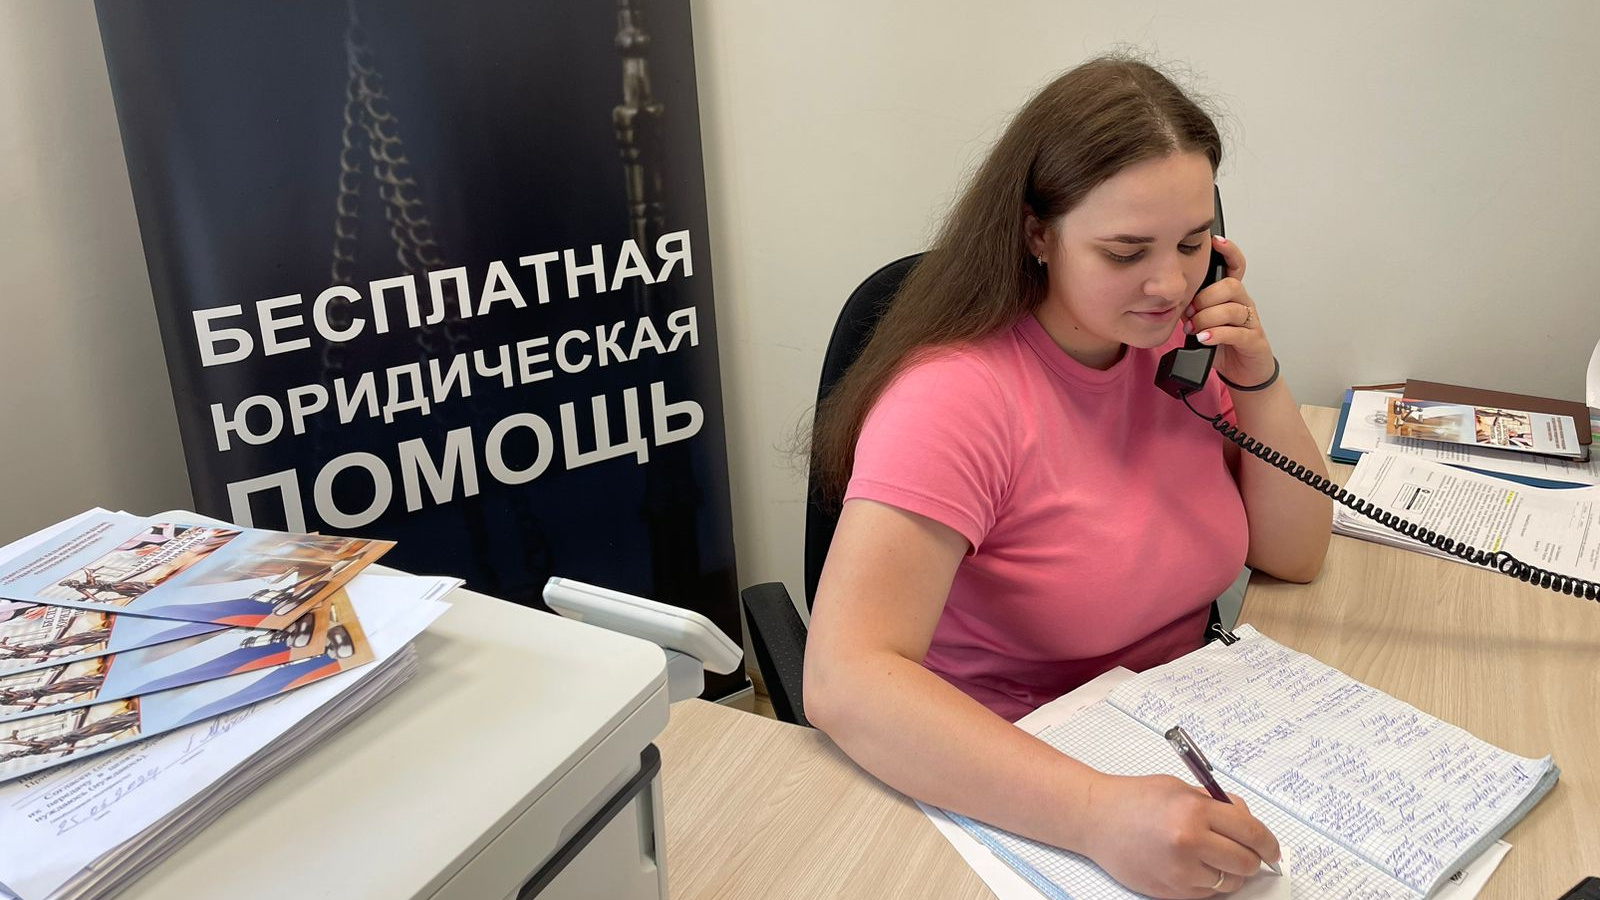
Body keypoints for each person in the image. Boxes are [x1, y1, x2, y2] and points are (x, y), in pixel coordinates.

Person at [802, 56, 1331, 898]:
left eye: (1193, 243)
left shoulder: (1178, 350)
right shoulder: (954, 399)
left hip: (1182, 733)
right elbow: (843, 680)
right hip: (1015, 782)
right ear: (1037, 234)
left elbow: (1295, 553)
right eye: (1126, 251)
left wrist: (1257, 373)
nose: (1170, 283)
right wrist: (1095, 814)